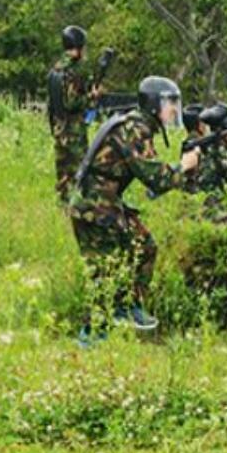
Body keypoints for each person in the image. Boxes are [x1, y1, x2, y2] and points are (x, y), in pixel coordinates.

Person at [68, 75, 200, 336]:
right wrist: (184, 166)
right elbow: (156, 179)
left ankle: (129, 306)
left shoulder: (139, 126)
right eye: (168, 102)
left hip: (106, 204)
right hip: (93, 208)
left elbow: (154, 177)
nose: (174, 109)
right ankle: (90, 337)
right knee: (104, 273)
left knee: (145, 246)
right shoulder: (134, 129)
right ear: (153, 104)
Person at [46, 25, 103, 202]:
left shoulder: (55, 70)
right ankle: (83, 206)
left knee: (63, 170)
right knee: (81, 169)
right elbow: (71, 102)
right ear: (78, 46)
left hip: (58, 127)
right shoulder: (74, 71)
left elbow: (51, 104)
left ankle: (64, 204)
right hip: (73, 131)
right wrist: (91, 96)